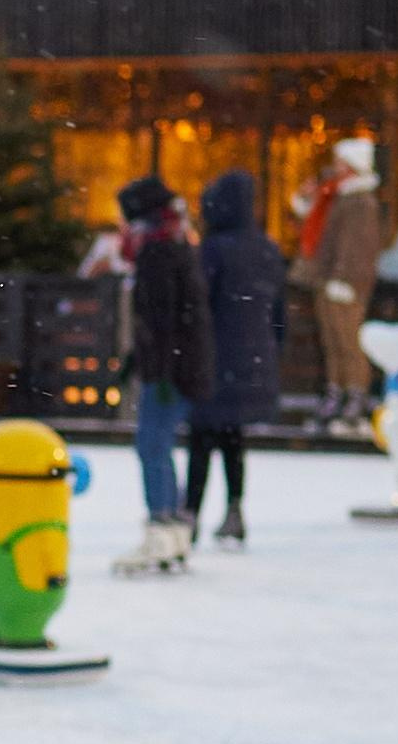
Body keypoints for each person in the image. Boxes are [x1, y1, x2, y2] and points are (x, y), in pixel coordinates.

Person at [113, 175, 212, 571]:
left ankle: (161, 530)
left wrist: (159, 368)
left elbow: (162, 319)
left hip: (170, 369)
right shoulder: (175, 246)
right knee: (160, 445)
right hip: (177, 365)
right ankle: (172, 533)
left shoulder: (157, 253)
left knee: (151, 445)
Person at [182, 169, 285, 544]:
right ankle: (235, 509)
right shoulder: (267, 249)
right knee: (232, 438)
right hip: (252, 358)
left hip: (214, 358)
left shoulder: (213, 250)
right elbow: (278, 313)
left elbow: (199, 305)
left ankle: (189, 512)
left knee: (201, 436)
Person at [293, 137, 384, 425]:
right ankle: (337, 391)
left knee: (348, 341)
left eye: (340, 164)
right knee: (333, 341)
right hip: (328, 279)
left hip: (346, 284)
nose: (334, 169)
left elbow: (357, 245)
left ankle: (355, 394)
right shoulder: (336, 197)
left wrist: (344, 279)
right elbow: (316, 229)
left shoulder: (361, 202)